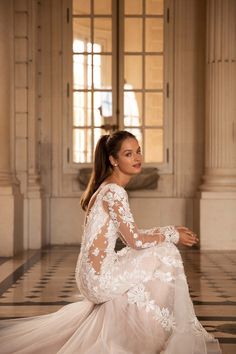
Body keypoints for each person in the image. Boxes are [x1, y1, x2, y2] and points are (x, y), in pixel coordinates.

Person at [0, 130, 222, 354]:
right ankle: (159, 329)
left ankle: (153, 324)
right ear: (113, 160)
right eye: (128, 154)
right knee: (165, 251)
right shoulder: (114, 192)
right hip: (99, 280)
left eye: (138, 151)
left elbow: (130, 233)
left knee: (160, 246)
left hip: (90, 276)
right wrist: (172, 235)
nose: (137, 158)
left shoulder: (105, 188)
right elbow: (134, 240)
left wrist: (168, 229)